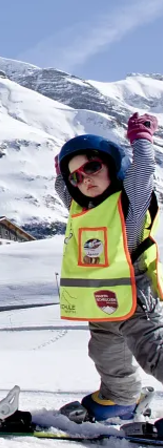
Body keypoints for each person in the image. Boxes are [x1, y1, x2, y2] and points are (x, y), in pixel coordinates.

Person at [54, 115, 162, 423]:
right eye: (76, 177)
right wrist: (62, 165)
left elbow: (142, 174)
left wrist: (141, 138)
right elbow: (62, 183)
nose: (84, 179)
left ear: (113, 166)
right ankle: (120, 398)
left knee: (152, 352)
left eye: (91, 167)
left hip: (134, 295)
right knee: (105, 353)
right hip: (100, 301)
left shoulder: (129, 205)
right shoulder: (80, 208)